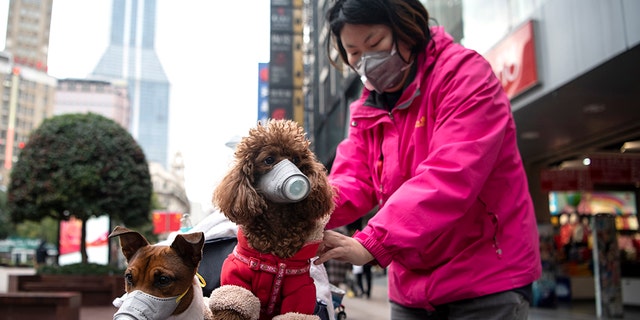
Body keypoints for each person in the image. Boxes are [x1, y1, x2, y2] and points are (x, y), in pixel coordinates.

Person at [313, 1, 542, 319]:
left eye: (375, 43)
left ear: (407, 29)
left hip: (485, 277)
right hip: (411, 287)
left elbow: (450, 174)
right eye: (353, 52)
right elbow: (351, 178)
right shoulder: (367, 107)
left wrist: (373, 242)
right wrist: (302, 210)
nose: (366, 60)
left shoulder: (465, 75)